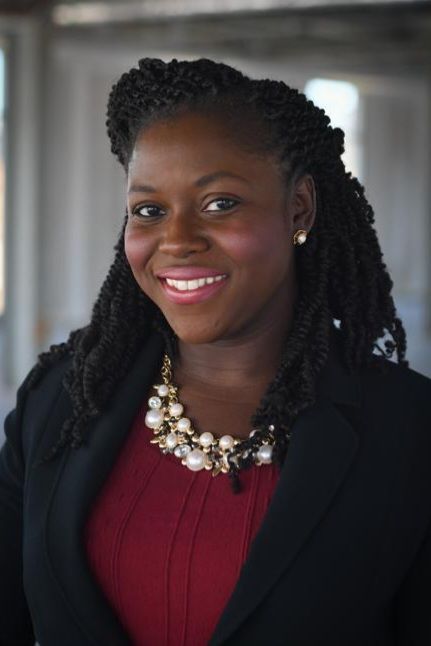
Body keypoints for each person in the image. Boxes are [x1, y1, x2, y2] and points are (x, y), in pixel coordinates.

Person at [0, 57, 430, 646]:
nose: (177, 240)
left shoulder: (408, 430)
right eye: (149, 210)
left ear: (298, 208)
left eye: (219, 203)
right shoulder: (60, 402)